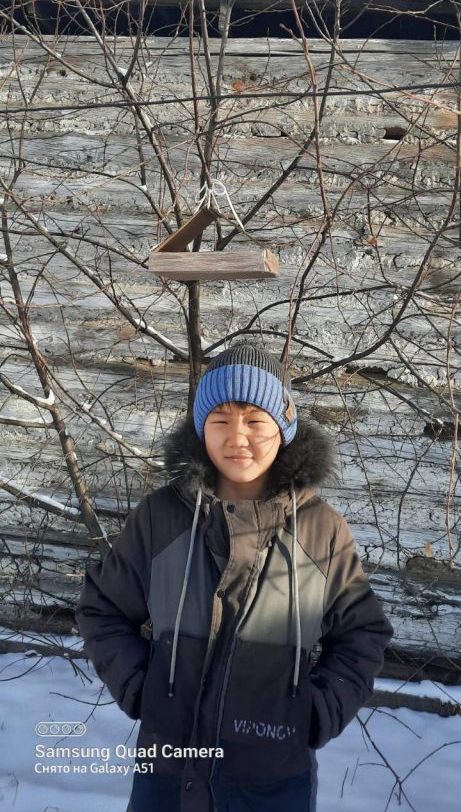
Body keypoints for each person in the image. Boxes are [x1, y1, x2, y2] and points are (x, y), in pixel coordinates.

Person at [76, 342, 393, 812]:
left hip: (272, 781)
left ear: (283, 427)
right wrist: (141, 690)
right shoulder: (161, 518)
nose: (237, 437)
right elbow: (102, 609)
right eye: (220, 420)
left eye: (255, 420)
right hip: (168, 775)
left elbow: (362, 635)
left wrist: (315, 713)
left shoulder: (321, 531)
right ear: (201, 427)